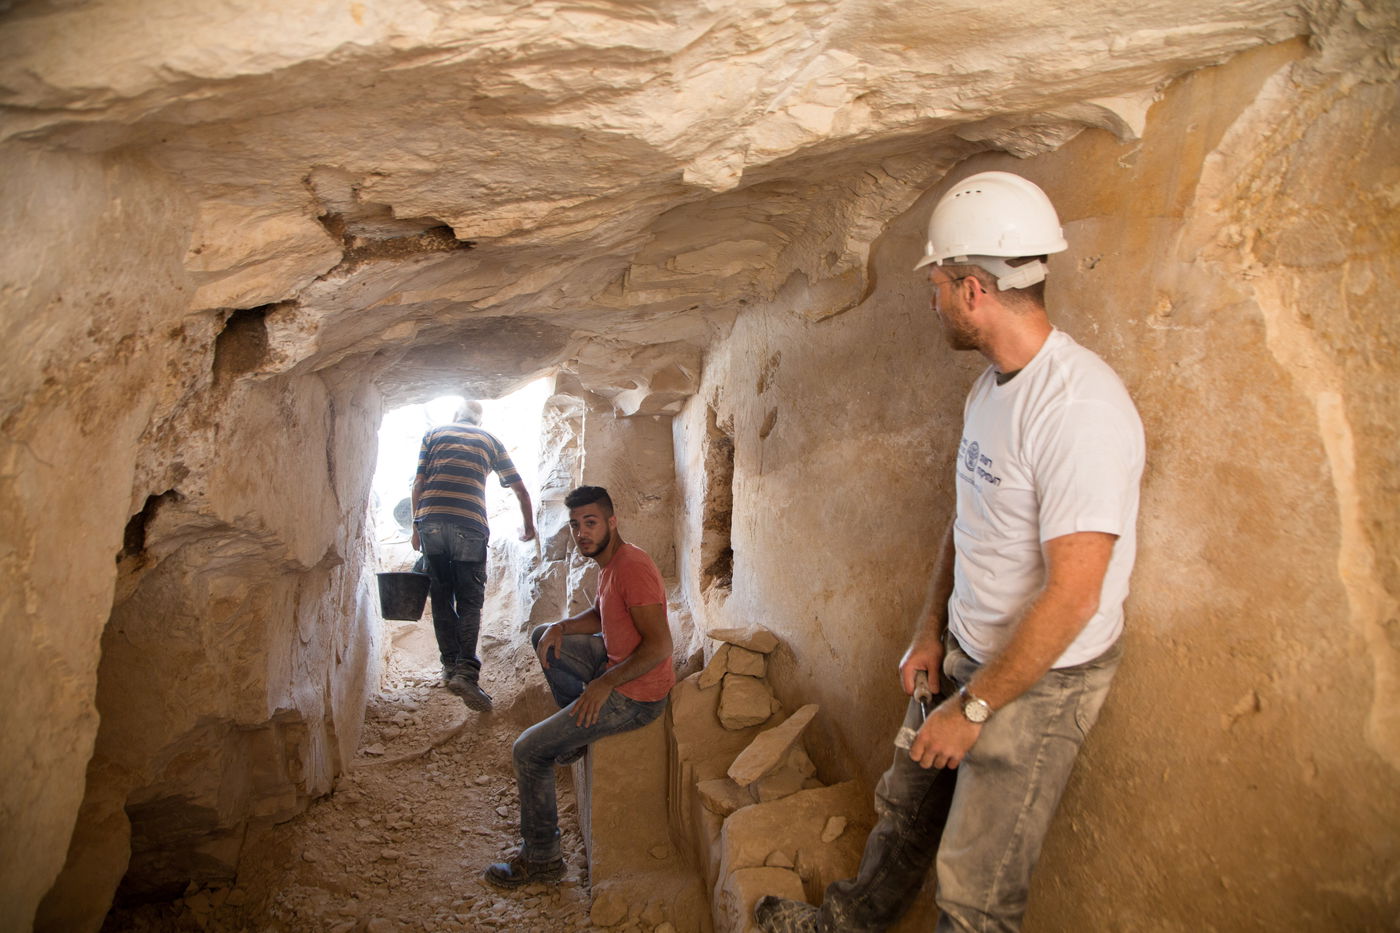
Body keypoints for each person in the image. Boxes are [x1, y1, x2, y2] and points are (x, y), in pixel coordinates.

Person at [755, 171, 1145, 932]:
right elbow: (966, 520)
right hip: (968, 653)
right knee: (903, 810)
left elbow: (1073, 595)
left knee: (973, 893)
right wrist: (932, 631)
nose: (929, 297)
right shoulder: (991, 389)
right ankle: (846, 924)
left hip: (1038, 684)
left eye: (935, 282)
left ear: (974, 290)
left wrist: (974, 707)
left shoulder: (1079, 410)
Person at [484, 485, 676, 888]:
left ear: (612, 521)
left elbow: (660, 645)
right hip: (614, 664)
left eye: (590, 523)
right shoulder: (612, 563)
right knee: (543, 636)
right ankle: (573, 736)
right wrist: (563, 626)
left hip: (637, 697)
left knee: (529, 750)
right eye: (575, 525)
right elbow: (605, 613)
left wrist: (604, 684)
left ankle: (542, 860)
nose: (582, 532)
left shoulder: (632, 567)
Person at [411, 399, 536, 712]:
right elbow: (520, 488)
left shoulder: (434, 433)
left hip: (432, 523)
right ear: (478, 422)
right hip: (470, 525)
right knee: (469, 601)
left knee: (441, 598)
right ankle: (466, 672)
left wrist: (416, 529)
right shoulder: (489, 441)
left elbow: (419, 483)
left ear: (456, 416)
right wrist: (529, 527)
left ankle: (450, 668)